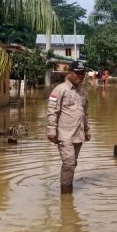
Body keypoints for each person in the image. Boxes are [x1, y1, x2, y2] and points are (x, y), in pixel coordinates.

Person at [47, 61, 91, 194]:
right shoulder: (60, 90)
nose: (81, 75)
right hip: (64, 134)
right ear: (70, 73)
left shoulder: (82, 92)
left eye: (82, 73)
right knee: (69, 163)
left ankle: (67, 189)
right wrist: (51, 130)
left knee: (73, 163)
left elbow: (85, 113)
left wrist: (87, 130)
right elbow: (52, 111)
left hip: (78, 134)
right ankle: (66, 194)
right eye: (78, 73)